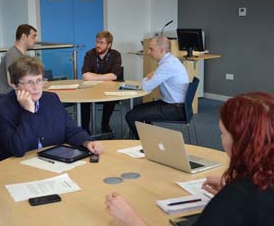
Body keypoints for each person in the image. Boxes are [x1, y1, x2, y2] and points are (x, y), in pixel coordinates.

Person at [105, 92, 274, 226]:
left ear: (241, 142)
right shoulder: (257, 185)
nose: (220, 139)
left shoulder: (238, 197)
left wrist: (130, 218)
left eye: (222, 133)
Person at [0, 56, 104, 162]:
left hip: (54, 162)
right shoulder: (2, 110)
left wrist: (87, 142)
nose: (36, 87)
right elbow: (17, 149)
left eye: (39, 80)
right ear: (15, 85)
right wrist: (29, 112)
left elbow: (71, 130)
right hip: (19, 169)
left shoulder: (51, 99)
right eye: (29, 82)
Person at [125, 36, 189, 139]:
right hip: (174, 104)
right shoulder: (170, 61)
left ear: (162, 50)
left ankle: (146, 144)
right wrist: (150, 76)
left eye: (151, 49)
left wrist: (149, 77)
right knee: (137, 108)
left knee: (131, 116)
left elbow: (146, 86)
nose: (148, 52)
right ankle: (150, 140)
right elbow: (148, 83)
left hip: (176, 108)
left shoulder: (168, 65)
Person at [81, 31, 122, 134]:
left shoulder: (116, 55)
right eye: (97, 42)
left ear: (109, 45)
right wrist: (104, 77)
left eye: (102, 43)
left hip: (108, 89)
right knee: (83, 100)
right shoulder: (90, 54)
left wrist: (94, 77)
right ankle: (85, 129)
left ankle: (105, 125)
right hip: (91, 89)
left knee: (111, 99)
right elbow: (85, 75)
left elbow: (114, 75)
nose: (98, 45)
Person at [0, 24, 37, 95]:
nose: (35, 40)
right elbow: (12, 82)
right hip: (7, 96)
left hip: (15, 94)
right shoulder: (12, 55)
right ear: (23, 37)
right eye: (33, 37)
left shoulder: (21, 55)